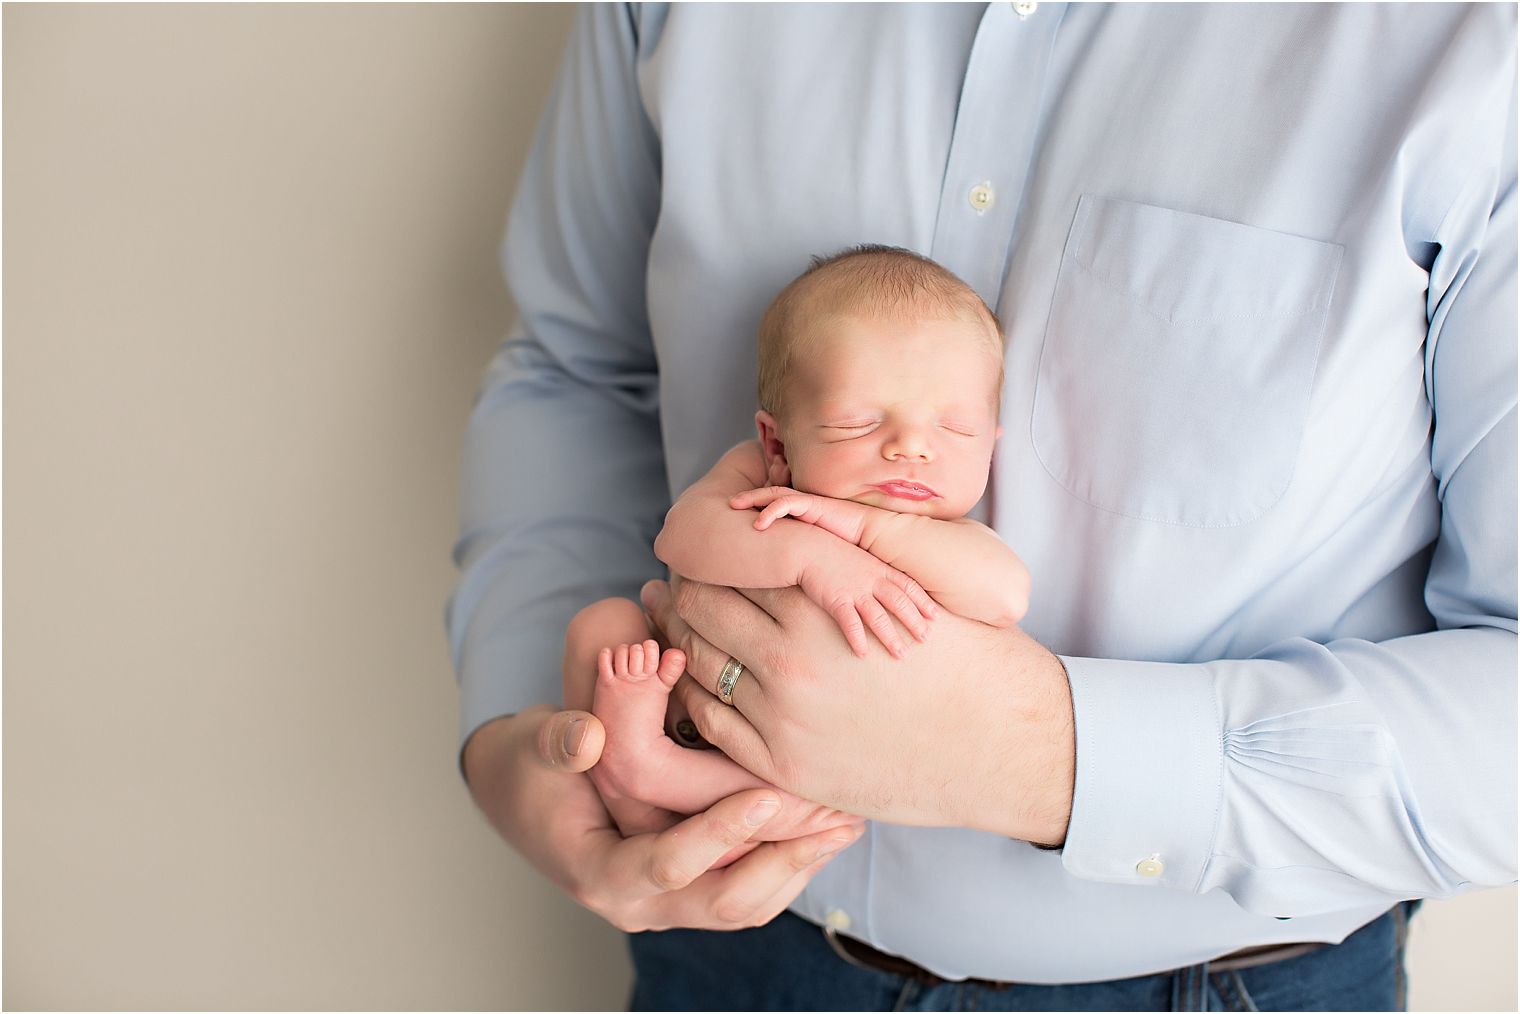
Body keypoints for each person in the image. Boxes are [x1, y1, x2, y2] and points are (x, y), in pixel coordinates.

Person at [449, 5, 1516, 1010]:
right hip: (728, 957)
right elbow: (581, 367)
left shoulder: (1474, 44)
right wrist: (519, 731)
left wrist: (1036, 753)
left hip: (1214, 984)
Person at [561, 246, 1030, 854]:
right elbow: (681, 537)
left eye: (955, 429)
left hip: (810, 768)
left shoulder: (951, 537)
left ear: (991, 444)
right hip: (684, 696)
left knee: (825, 789)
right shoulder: (763, 475)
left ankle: (653, 781)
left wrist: (864, 533)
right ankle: (633, 772)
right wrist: (813, 557)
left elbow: (1006, 595)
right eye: (858, 422)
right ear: (776, 439)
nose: (911, 446)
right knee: (600, 625)